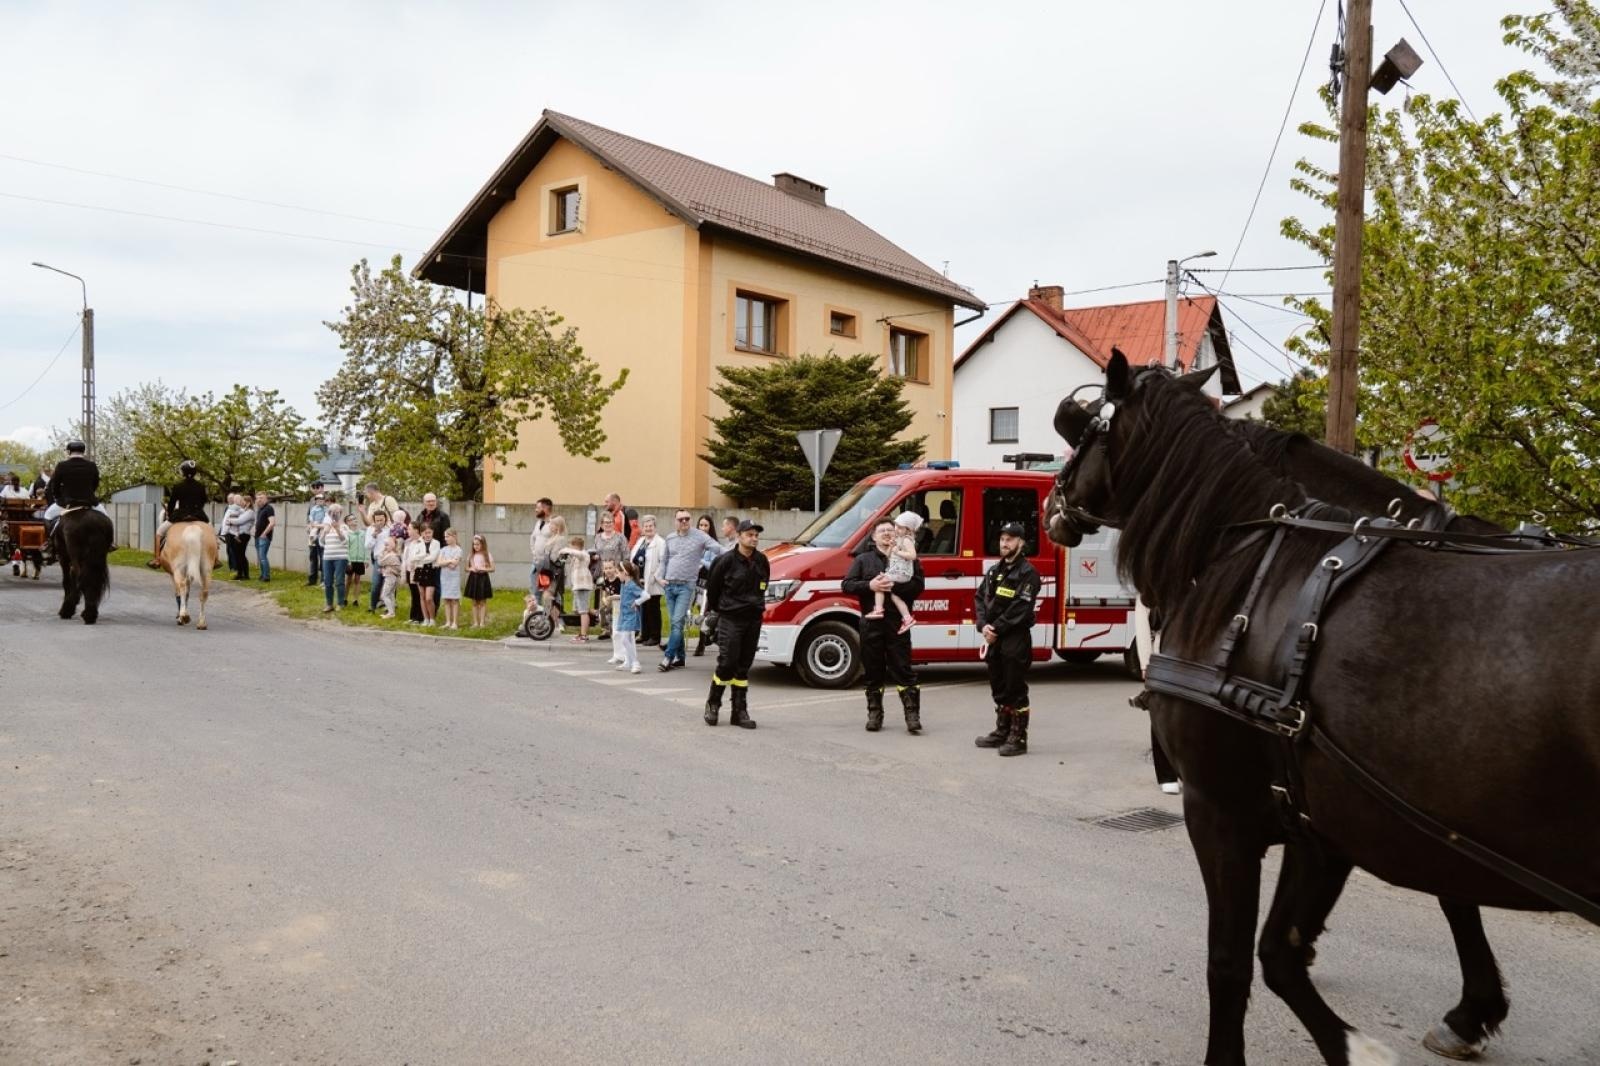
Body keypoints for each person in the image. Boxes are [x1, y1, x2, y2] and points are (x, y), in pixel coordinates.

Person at [842, 518, 926, 734]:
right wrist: (870, 585)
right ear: (873, 536)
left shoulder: (907, 555)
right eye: (882, 531)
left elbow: (918, 586)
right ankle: (875, 714)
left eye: (891, 530)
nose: (888, 533)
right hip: (871, 624)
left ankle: (912, 716)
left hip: (898, 624)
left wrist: (895, 587)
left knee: (903, 669)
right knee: (873, 671)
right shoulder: (863, 559)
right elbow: (847, 585)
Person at [973, 520, 1042, 757]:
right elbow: (980, 598)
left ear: (1021, 543)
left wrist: (996, 629)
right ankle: (1001, 731)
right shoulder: (994, 571)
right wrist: (983, 626)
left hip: (1014, 638)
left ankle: (1018, 737)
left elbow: (1020, 607)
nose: (1004, 543)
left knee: (1015, 687)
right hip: (994, 637)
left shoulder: (1028, 573)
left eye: (1010, 539)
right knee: (999, 685)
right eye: (1002, 539)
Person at [702, 519, 769, 729]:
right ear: (739, 536)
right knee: (727, 662)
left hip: (753, 618)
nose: (754, 538)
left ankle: (739, 711)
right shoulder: (725, 561)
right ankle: (713, 703)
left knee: (743, 666)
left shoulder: (762, 561)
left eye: (756, 535)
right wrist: (718, 611)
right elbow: (712, 589)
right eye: (750, 534)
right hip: (730, 618)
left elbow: (763, 586)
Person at [658, 509, 721, 671]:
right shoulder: (670, 537)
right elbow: (664, 560)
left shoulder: (699, 536)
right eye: (681, 519)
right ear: (675, 522)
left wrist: (738, 553)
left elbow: (717, 548)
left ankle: (668, 657)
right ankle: (681, 658)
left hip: (686, 586)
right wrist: (659, 577)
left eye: (687, 519)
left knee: (677, 623)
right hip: (669, 585)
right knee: (675, 624)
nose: (684, 521)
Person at [865, 511, 921, 634]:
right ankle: (907, 618)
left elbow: (913, 555)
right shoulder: (898, 539)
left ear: (908, 530)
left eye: (900, 527)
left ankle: (878, 610)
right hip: (897, 571)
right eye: (896, 526)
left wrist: (897, 551)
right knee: (895, 596)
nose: (896, 529)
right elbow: (889, 555)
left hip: (902, 573)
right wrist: (892, 547)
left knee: (879, 582)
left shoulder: (906, 540)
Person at [149, 460, 210, 568]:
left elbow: (172, 503)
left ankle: (157, 559)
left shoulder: (178, 486)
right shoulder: (201, 486)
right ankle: (216, 559)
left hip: (181, 515)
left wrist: (170, 513)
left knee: (159, 534)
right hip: (198, 514)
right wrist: (197, 509)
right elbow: (203, 501)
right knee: (211, 532)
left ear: (184, 472)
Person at [630, 515, 665, 648]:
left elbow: (663, 562)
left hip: (653, 581)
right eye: (646, 526)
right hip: (641, 581)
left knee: (653, 608)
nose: (648, 528)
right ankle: (645, 635)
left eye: (651, 526)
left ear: (655, 527)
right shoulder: (641, 541)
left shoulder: (660, 542)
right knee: (643, 608)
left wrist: (656, 577)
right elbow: (633, 556)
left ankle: (655, 636)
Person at [692, 514, 723, 658]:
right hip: (695, 582)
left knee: (704, 613)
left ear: (710, 528)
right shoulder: (694, 543)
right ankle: (706, 637)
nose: (703, 528)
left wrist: (701, 561)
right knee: (696, 611)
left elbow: (714, 566)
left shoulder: (713, 545)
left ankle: (702, 643)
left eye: (706, 526)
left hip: (708, 583)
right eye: (701, 525)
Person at [557, 533, 595, 642]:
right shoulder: (575, 557)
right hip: (577, 586)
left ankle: (584, 635)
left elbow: (578, 554)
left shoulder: (584, 554)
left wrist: (566, 550)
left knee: (583, 611)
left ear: (576, 546)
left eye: (571, 546)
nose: (570, 549)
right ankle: (593, 615)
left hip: (583, 586)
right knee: (578, 610)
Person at [319, 503, 350, 612]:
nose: (334, 514)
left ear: (340, 514)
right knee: (327, 581)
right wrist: (324, 533)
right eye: (332, 512)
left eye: (337, 512)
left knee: (339, 581)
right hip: (327, 557)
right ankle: (329, 604)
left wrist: (337, 530)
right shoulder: (326, 526)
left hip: (340, 557)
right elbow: (321, 543)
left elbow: (345, 541)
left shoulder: (344, 526)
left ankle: (340, 603)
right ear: (329, 514)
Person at [614, 559, 643, 673]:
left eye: (618, 572)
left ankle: (635, 662)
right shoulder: (624, 584)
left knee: (626, 639)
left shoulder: (631, 585)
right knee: (626, 639)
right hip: (624, 615)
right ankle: (628, 662)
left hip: (631, 615)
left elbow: (645, 595)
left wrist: (637, 602)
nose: (617, 575)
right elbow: (625, 597)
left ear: (625, 573)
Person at [465, 533, 495, 628]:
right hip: (473, 578)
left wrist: (484, 568)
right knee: (474, 602)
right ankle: (475, 622)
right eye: (474, 544)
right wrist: (471, 569)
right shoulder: (471, 555)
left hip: (483, 578)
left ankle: (482, 622)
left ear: (482, 544)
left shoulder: (487, 555)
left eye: (478, 544)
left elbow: (493, 568)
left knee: (482, 601)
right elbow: (466, 567)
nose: (476, 546)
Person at [413, 523, 441, 626]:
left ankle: (432, 619)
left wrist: (421, 558)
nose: (428, 534)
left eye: (429, 532)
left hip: (431, 570)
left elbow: (433, 557)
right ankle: (426, 619)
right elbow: (413, 558)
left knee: (429, 597)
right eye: (425, 532)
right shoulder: (417, 543)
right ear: (421, 533)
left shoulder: (436, 543)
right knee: (422, 596)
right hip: (420, 570)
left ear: (433, 532)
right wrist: (424, 555)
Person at [437, 528, 464, 630]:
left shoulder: (458, 550)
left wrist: (445, 561)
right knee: (446, 599)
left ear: (454, 536)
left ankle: (455, 622)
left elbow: (454, 565)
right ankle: (448, 621)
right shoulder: (443, 550)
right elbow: (439, 563)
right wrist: (449, 561)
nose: (445, 538)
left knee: (454, 600)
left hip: (453, 577)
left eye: (447, 536)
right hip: (445, 577)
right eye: (445, 536)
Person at [366, 509, 391, 612]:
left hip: (390, 560)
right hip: (378, 560)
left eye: (382, 520)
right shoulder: (370, 529)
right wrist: (374, 535)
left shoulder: (390, 529)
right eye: (377, 520)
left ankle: (388, 606)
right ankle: (372, 606)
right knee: (376, 583)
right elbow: (367, 546)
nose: (380, 522)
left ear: (385, 519)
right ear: (374, 520)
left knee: (389, 584)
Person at [304, 490, 328, 586]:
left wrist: (318, 525)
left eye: (321, 499)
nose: (320, 501)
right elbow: (310, 519)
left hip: (323, 533)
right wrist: (311, 525)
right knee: (313, 557)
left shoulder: (327, 509)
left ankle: (323, 580)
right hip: (314, 530)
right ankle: (312, 580)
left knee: (323, 558)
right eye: (318, 499)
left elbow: (327, 523)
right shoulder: (313, 509)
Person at [377, 535, 403, 619]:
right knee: (391, 594)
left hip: (390, 577)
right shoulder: (394, 555)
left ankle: (391, 612)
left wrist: (381, 552)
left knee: (384, 595)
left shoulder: (390, 555)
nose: (385, 547)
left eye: (387, 545)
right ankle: (392, 612)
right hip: (393, 577)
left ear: (392, 546)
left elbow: (380, 562)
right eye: (385, 545)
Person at [344, 512, 368, 603]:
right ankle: (345, 598)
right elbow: (346, 548)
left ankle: (355, 600)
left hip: (360, 560)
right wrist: (348, 561)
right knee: (348, 580)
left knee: (357, 579)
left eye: (355, 518)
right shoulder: (347, 534)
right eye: (351, 519)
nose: (354, 520)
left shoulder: (362, 533)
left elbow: (365, 546)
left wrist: (366, 559)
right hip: (351, 560)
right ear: (347, 523)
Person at [253, 491, 275, 582]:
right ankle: (262, 575)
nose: (259, 500)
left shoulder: (269, 508)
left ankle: (266, 576)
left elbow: (272, 523)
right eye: (258, 498)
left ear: (266, 498)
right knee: (260, 556)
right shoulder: (260, 509)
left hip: (264, 537)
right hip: (257, 536)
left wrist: (264, 533)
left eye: (261, 498)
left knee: (263, 556)